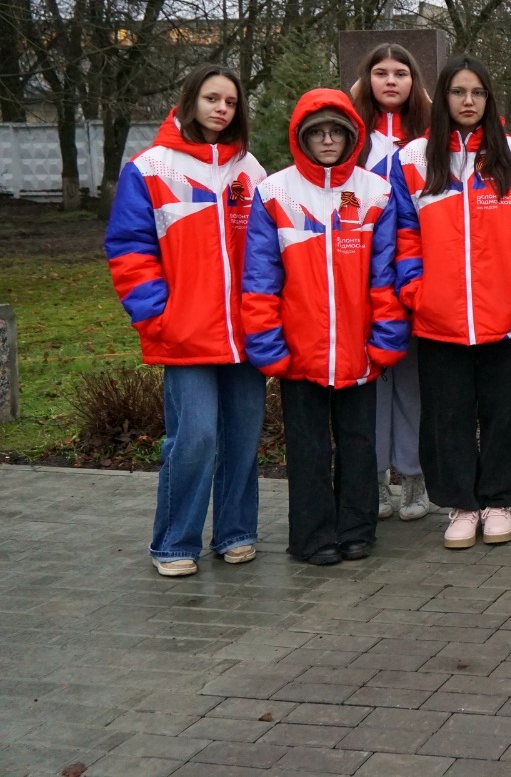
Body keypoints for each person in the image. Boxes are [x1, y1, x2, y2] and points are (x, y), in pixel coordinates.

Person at [106, 65, 267, 577]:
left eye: (231, 102)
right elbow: (129, 250)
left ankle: (236, 532)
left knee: (242, 439)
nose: (222, 109)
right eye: (212, 98)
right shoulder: (150, 168)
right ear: (190, 100)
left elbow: (268, 251)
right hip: (185, 333)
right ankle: (174, 542)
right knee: (194, 438)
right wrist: (158, 316)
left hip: (245, 334)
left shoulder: (250, 171)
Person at [242, 90, 410, 564]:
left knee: (359, 443)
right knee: (308, 447)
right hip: (299, 350)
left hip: (359, 347)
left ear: (353, 136)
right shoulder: (275, 192)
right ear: (301, 138)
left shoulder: (376, 192)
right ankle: (312, 537)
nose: (329, 140)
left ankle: (357, 529)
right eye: (318, 132)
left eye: (337, 131)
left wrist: (386, 338)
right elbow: (260, 277)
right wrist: (268, 344)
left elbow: (386, 274)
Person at [391, 56, 511, 550]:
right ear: (443, 97)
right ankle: (460, 505)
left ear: (488, 98)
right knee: (447, 417)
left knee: (506, 413)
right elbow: (405, 235)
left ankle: (498, 502)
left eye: (477, 92)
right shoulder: (413, 159)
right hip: (440, 317)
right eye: (458, 92)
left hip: (507, 314)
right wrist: (416, 292)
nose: (468, 101)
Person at [350, 42, 432, 522]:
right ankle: (376, 478)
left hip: (416, 274)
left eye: (400, 72)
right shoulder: (351, 136)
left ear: (413, 81)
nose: (390, 81)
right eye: (380, 72)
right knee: (373, 382)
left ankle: (415, 478)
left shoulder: (427, 135)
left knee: (412, 383)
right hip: (363, 276)